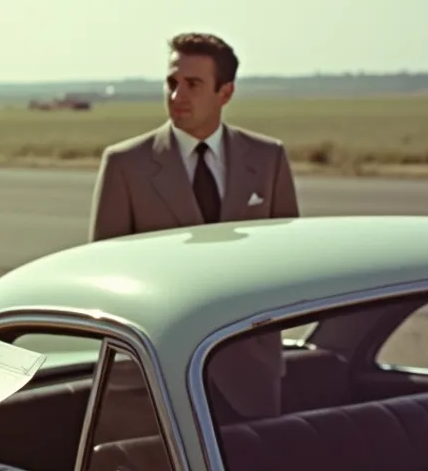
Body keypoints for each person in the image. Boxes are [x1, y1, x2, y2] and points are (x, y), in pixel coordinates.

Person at [88, 32, 300, 420]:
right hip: (155, 376)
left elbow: (285, 264)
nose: (177, 96)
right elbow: (107, 278)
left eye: (193, 84)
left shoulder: (267, 158)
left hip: (250, 372)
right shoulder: (125, 165)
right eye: (171, 83)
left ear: (226, 93)